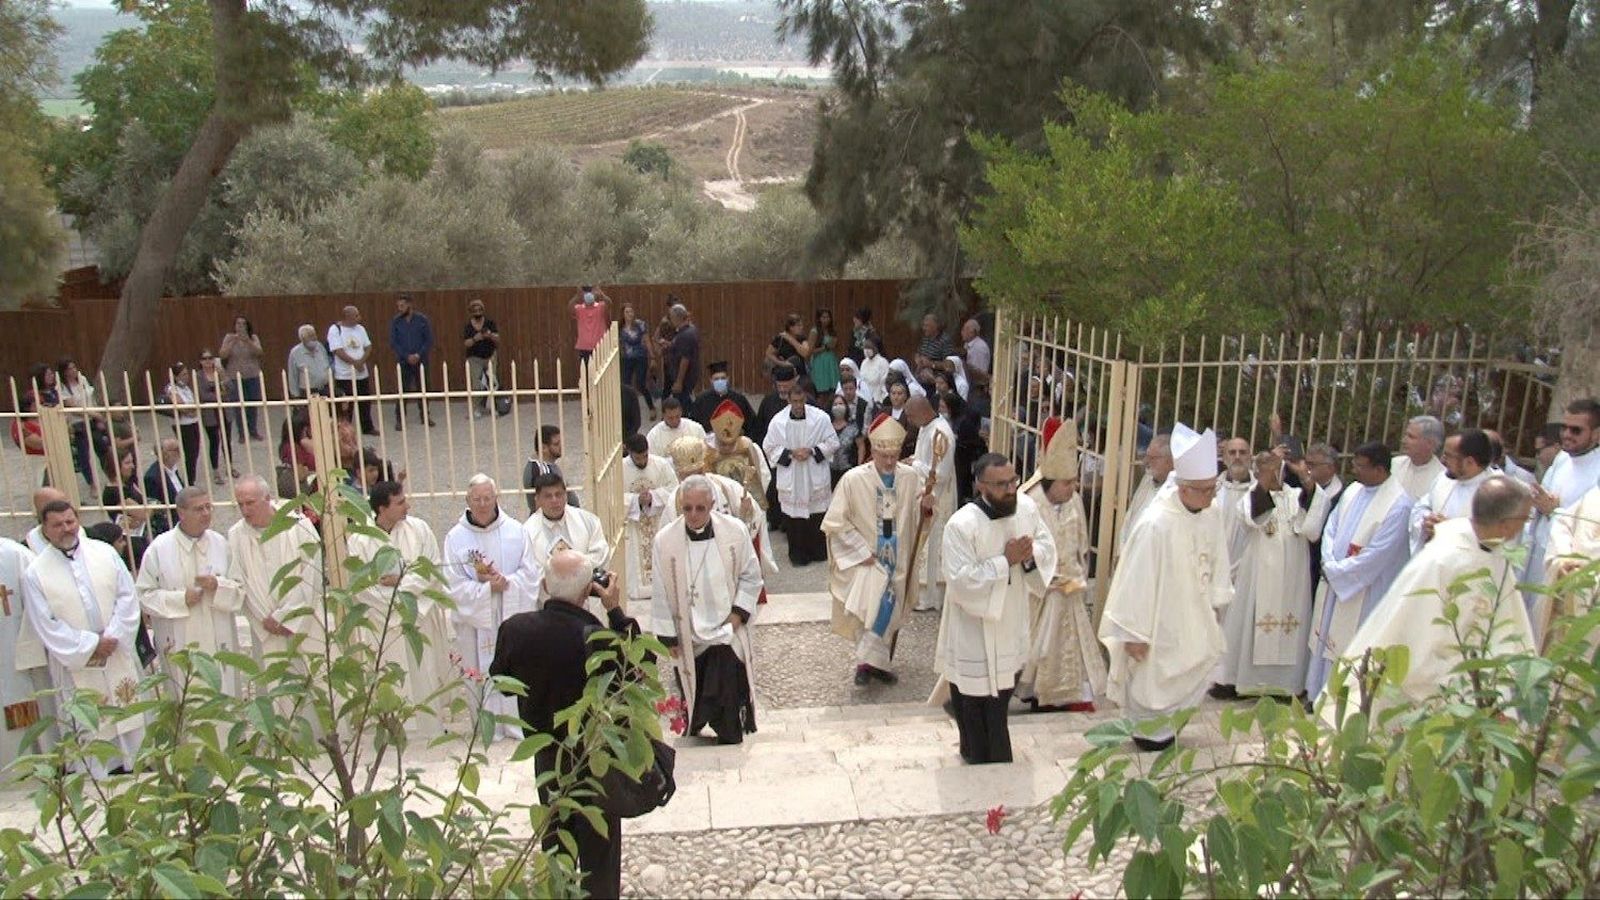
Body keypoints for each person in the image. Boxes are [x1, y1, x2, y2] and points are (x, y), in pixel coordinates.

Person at [488, 549, 632, 899]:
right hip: (592, 752)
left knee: (556, 840)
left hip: (545, 752)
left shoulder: (515, 629)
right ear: (588, 592)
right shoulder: (594, 635)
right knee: (599, 844)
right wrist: (614, 610)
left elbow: (500, 677)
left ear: (543, 585)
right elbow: (633, 673)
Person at [1332, 476, 1534, 713]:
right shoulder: (1443, 561)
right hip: (1440, 687)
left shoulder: (1495, 554)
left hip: (1482, 681)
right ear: (1507, 524)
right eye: (1525, 519)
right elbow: (1418, 634)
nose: (1525, 525)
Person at [1098, 424, 1232, 752]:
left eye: (1212, 488)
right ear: (1182, 487)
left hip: (1195, 614)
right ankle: (1149, 739)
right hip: (1158, 622)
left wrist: (1216, 599)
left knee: (1196, 671)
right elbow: (1135, 580)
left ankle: (1171, 734)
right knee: (1151, 689)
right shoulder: (1156, 523)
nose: (1210, 496)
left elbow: (1218, 558)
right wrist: (1133, 633)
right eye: (1202, 489)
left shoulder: (1211, 512)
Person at [936, 453, 1057, 764]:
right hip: (973, 627)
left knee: (999, 702)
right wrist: (1006, 561)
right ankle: (979, 759)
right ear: (980, 485)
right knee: (973, 705)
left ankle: (996, 760)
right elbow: (960, 580)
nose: (1010, 489)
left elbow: (1046, 545)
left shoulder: (1027, 509)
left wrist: (1030, 556)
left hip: (1011, 620)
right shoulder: (961, 525)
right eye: (1001, 484)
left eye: (1013, 480)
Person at [20, 500, 146, 776]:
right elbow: (45, 623)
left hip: (116, 653)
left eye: (70, 522)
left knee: (128, 712)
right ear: (45, 528)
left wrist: (113, 636)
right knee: (91, 723)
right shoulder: (36, 572)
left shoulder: (104, 553)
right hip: (78, 661)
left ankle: (137, 763)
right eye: (58, 524)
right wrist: (90, 645)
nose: (66, 529)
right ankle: (98, 773)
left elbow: (127, 596)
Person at [823, 413, 932, 686]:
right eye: (884, 456)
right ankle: (866, 663)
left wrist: (927, 506)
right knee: (868, 608)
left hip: (898, 556)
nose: (890, 462)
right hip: (867, 559)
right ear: (873, 451)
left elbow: (923, 513)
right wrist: (860, 552)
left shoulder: (909, 478)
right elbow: (836, 523)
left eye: (894, 456)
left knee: (891, 608)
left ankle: (874, 662)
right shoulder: (852, 479)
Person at [652, 475, 762, 744]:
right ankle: (697, 720)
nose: (693, 515)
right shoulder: (665, 541)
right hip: (688, 629)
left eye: (700, 508)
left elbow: (751, 576)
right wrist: (668, 636)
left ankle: (728, 728)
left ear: (712, 504)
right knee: (695, 683)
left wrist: (737, 617)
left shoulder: (735, 531)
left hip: (727, 625)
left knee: (725, 668)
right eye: (687, 508)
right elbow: (661, 591)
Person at [1303, 441, 1413, 700]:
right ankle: (1317, 692)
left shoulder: (1399, 505)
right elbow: (1330, 527)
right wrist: (1329, 562)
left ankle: (1342, 697)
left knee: (1351, 643)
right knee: (1326, 638)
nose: (1354, 471)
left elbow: (1379, 554)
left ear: (1380, 469)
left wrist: (1341, 572)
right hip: (1335, 580)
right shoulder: (1353, 490)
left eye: (1360, 466)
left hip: (1364, 589)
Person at [347, 480, 454, 733]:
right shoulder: (360, 540)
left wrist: (400, 584)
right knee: (389, 675)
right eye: (400, 502)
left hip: (418, 615)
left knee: (423, 671)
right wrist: (394, 603)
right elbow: (362, 585)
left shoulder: (419, 529)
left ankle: (430, 726)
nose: (408, 505)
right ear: (382, 509)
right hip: (381, 620)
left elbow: (430, 571)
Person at [445, 474, 542, 741]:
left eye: (487, 498)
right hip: (476, 624)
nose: (483, 504)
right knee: (480, 670)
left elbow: (531, 574)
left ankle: (515, 723)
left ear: (496, 498)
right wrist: (485, 590)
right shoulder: (455, 538)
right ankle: (485, 725)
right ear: (467, 501)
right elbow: (451, 584)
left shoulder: (515, 531)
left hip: (509, 614)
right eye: (477, 499)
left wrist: (507, 583)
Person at [1016, 421, 1104, 712]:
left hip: (1069, 585)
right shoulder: (1028, 503)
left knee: (1067, 643)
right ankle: (1031, 691)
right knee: (1034, 646)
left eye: (1074, 482)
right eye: (1067, 484)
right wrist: (1048, 580)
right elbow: (1022, 550)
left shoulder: (1074, 499)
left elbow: (1081, 542)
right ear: (1050, 483)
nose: (1073, 488)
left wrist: (1076, 574)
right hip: (1038, 591)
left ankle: (1061, 694)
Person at [1212, 451, 1316, 700]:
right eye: (1265, 468)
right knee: (1248, 622)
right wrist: (1264, 484)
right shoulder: (1250, 496)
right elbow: (1252, 518)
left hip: (1293, 575)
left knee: (1291, 625)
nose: (1272, 473)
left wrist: (1308, 482)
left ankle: (1285, 685)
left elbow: (1312, 525)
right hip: (1259, 572)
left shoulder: (1297, 495)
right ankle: (1240, 680)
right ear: (1257, 472)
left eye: (1275, 467)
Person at [135, 487, 243, 696]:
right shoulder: (160, 548)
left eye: (208, 507)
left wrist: (218, 586)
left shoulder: (220, 544)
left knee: (224, 694)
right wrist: (180, 599)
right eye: (198, 509)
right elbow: (143, 595)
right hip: (179, 637)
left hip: (218, 635)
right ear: (181, 513)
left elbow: (240, 588)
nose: (206, 513)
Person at [1525, 398, 1600, 641]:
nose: (1567, 435)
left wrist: (1555, 511)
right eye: (1564, 428)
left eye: (1576, 430)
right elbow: (1544, 499)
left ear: (1597, 434)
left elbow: (1591, 522)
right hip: (1542, 555)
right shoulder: (1562, 459)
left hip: (1573, 566)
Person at [228, 475, 324, 661]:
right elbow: (240, 580)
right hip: (265, 625)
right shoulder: (236, 535)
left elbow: (312, 574)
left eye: (250, 503)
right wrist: (266, 618)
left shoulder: (298, 526)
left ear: (267, 498)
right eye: (240, 504)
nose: (245, 510)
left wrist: (288, 616)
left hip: (304, 621)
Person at [666, 436, 777, 580]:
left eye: (698, 474)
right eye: (688, 477)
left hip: (725, 563)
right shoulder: (673, 502)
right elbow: (668, 544)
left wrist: (745, 513)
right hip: (691, 569)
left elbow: (751, 521)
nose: (694, 481)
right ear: (679, 476)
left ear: (704, 468)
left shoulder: (726, 488)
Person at [764, 383, 837, 566]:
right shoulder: (778, 422)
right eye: (794, 401)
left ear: (806, 398)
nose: (798, 405)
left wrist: (812, 451)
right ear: (788, 400)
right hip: (793, 474)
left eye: (801, 401)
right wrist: (790, 453)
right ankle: (797, 555)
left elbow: (833, 442)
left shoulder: (821, 419)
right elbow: (768, 446)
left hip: (813, 473)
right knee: (794, 518)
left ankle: (818, 552)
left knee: (815, 514)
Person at [2, 534, 56, 768]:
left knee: (22, 711)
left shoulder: (15, 556)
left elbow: (44, 603)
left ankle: (30, 768)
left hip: (15, 657)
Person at [524, 473, 610, 608]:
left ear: (566, 495)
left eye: (559, 494)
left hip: (585, 602)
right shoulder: (527, 532)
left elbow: (600, 555)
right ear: (537, 500)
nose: (554, 500)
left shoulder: (588, 521)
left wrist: (574, 572)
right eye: (548, 496)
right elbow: (530, 570)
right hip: (548, 606)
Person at [1407, 429, 1493, 555]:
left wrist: (1450, 529)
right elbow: (1422, 506)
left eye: (1448, 455)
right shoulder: (1443, 479)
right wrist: (1426, 521)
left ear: (1469, 462)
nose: (1442, 460)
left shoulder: (1496, 494)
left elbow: (1493, 542)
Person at [906, 396, 956, 611]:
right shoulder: (926, 427)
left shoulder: (941, 433)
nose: (908, 420)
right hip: (923, 492)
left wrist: (914, 464)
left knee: (933, 545)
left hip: (937, 497)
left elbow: (940, 474)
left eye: (910, 415)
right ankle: (918, 593)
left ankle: (931, 597)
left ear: (922, 411)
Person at [622, 435, 679, 606]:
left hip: (657, 521)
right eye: (638, 458)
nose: (643, 461)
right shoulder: (621, 468)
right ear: (629, 452)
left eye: (645, 456)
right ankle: (639, 589)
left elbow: (674, 489)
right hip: (635, 525)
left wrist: (653, 496)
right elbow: (613, 497)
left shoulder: (661, 465)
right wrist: (636, 501)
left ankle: (662, 587)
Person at [706, 399, 771, 521]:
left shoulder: (748, 446)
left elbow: (764, 475)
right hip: (720, 508)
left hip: (748, 502)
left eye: (731, 444)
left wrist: (752, 499)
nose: (727, 447)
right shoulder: (708, 452)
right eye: (723, 444)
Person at [329, 305, 377, 436]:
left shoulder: (360, 329)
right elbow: (337, 350)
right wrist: (354, 363)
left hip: (362, 373)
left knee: (365, 401)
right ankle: (345, 430)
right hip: (344, 375)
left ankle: (367, 427)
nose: (359, 318)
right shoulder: (335, 330)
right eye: (356, 315)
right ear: (347, 317)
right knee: (346, 405)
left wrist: (361, 361)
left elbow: (368, 346)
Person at [389, 293, 435, 430]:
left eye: (402, 305)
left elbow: (428, 340)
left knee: (423, 388)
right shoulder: (396, 321)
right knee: (403, 389)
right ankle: (400, 418)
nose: (400, 308)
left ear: (410, 305)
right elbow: (393, 342)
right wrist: (406, 355)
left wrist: (418, 355)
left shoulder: (422, 320)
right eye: (398, 306)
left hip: (420, 359)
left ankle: (425, 415)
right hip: (404, 360)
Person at [1215, 436, 1256, 584]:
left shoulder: (1260, 493)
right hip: (1214, 571)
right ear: (1224, 458)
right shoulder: (1212, 491)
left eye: (1242, 452)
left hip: (1247, 574)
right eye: (1232, 453)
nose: (1237, 457)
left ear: (1250, 458)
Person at [196, 349, 240, 486]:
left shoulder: (220, 372)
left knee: (226, 440)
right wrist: (219, 395)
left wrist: (222, 377)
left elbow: (231, 388)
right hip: (210, 413)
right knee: (214, 441)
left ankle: (230, 466)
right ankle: (216, 471)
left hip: (224, 410)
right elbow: (202, 395)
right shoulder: (198, 376)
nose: (208, 361)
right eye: (205, 359)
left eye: (210, 358)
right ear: (201, 361)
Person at [220, 315, 266, 441]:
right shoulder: (229, 338)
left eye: (243, 324)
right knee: (238, 405)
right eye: (238, 324)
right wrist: (232, 342)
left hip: (252, 375)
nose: (240, 327)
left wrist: (248, 341)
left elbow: (259, 352)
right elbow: (222, 354)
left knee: (252, 404)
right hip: (235, 376)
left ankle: (253, 431)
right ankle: (241, 433)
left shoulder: (253, 338)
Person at [523, 425, 579, 512]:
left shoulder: (546, 465)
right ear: (543, 448)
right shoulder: (542, 470)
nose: (561, 446)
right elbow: (545, 503)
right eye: (556, 444)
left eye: (560, 442)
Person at [163, 362, 202, 487]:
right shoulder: (172, 388)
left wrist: (191, 410)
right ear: (175, 376)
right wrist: (189, 410)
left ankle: (192, 477)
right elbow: (180, 405)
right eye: (183, 374)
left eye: (187, 374)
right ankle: (189, 481)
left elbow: (193, 404)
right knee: (190, 452)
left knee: (195, 450)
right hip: (183, 424)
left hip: (193, 421)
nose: (186, 376)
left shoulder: (186, 387)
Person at [688, 360, 754, 433]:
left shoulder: (739, 399)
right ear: (711, 380)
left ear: (728, 379)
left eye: (723, 378)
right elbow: (694, 424)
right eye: (716, 379)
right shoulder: (701, 400)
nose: (720, 381)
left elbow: (751, 423)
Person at [462, 297, 501, 418]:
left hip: (490, 356)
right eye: (475, 310)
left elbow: (498, 339)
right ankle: (476, 408)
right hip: (474, 358)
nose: (477, 312)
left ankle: (493, 407)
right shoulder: (468, 326)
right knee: (476, 384)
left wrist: (489, 335)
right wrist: (475, 338)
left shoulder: (490, 323)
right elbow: (466, 343)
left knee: (492, 382)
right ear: (471, 312)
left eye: (480, 309)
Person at [1392, 415, 1446, 500]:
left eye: (1411, 437)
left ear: (1430, 443)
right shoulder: (1394, 464)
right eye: (1406, 435)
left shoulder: (1442, 478)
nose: (1403, 440)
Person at [144, 437, 187, 536]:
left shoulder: (172, 470)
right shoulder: (152, 477)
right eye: (175, 449)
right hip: (171, 525)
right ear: (164, 454)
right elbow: (155, 508)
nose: (179, 452)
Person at [619, 303, 654, 419]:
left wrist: (652, 356)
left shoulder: (640, 325)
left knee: (640, 384)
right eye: (627, 312)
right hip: (626, 359)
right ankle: (628, 411)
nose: (629, 314)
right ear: (623, 314)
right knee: (626, 385)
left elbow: (647, 340)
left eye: (631, 311)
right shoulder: (620, 327)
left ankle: (651, 407)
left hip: (640, 357)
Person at [663, 303, 701, 409]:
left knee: (682, 403)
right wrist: (670, 345)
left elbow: (685, 359)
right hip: (687, 376)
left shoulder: (686, 335)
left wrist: (679, 382)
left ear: (676, 318)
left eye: (671, 318)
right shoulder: (688, 330)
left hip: (685, 378)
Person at [570, 284, 612, 367]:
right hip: (584, 347)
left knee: (600, 370)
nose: (589, 294)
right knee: (585, 371)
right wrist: (577, 296)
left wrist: (601, 294)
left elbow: (609, 303)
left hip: (599, 346)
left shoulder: (601, 307)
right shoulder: (579, 309)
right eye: (586, 292)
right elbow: (570, 307)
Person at [286, 324, 331, 398]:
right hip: (307, 391)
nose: (314, 338)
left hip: (324, 389)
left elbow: (327, 366)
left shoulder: (320, 347)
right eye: (310, 336)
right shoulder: (295, 353)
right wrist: (295, 395)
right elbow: (293, 376)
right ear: (303, 339)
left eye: (314, 335)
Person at [766, 313, 812, 380]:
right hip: (783, 376)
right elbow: (768, 353)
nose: (801, 327)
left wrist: (790, 339)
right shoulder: (780, 338)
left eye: (802, 325)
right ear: (791, 327)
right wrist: (782, 363)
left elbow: (805, 353)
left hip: (799, 376)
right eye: (799, 325)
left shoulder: (802, 338)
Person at [829, 398, 862, 488]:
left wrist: (859, 466)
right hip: (830, 470)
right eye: (835, 404)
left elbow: (861, 447)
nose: (838, 406)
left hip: (849, 469)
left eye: (841, 403)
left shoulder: (853, 427)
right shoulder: (827, 426)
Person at [809, 309, 840, 400]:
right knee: (821, 392)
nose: (826, 319)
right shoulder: (814, 332)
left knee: (832, 390)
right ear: (819, 319)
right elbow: (810, 351)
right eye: (823, 317)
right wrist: (825, 347)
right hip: (819, 362)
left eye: (828, 317)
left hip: (831, 361)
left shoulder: (832, 331)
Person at [859, 337, 890, 406]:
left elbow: (884, 383)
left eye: (869, 348)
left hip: (878, 400)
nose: (866, 350)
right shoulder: (864, 363)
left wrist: (883, 400)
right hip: (865, 400)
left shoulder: (883, 362)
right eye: (865, 348)